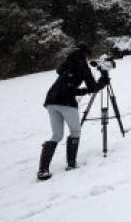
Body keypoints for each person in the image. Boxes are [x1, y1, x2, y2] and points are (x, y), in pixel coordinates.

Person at [38, 43, 108, 181]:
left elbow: (65, 84)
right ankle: (71, 164)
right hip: (66, 102)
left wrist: (81, 90)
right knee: (75, 132)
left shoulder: (66, 63)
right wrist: (103, 80)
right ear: (85, 54)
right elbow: (93, 87)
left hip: (51, 100)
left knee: (56, 135)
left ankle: (43, 170)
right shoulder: (83, 66)